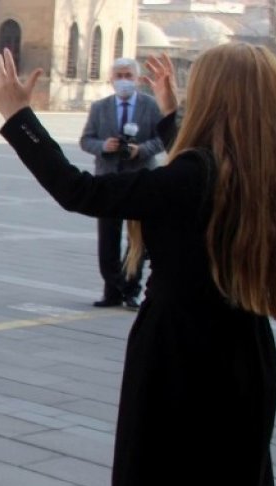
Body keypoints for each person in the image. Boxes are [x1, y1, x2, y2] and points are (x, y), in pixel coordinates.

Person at [0, 45, 276, 486]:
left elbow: (84, 192)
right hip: (240, 368)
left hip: (182, 373)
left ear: (217, 100)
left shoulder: (190, 178)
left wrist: (17, 117)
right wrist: (175, 116)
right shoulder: (260, 176)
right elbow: (202, 170)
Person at [80, 58, 164, 310]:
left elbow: (162, 138)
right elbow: (86, 140)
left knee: (138, 239)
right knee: (108, 238)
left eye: (128, 75)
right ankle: (112, 290)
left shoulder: (150, 106)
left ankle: (131, 289)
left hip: (140, 178)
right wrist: (104, 146)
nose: (124, 80)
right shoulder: (100, 107)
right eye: (119, 75)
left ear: (137, 79)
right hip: (108, 178)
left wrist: (141, 149)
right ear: (111, 79)